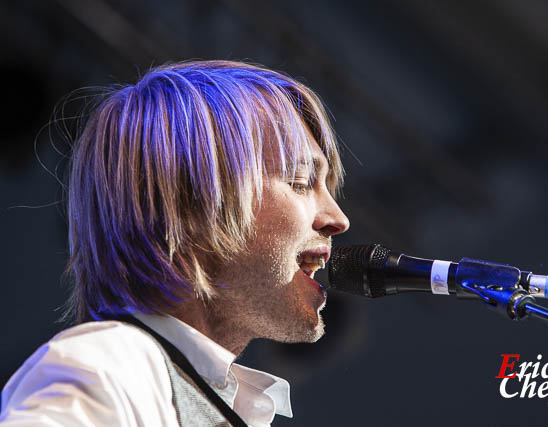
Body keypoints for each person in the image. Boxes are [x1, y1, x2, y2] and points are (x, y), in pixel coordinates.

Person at [0, 60, 350, 426]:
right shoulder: (106, 367)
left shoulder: (202, 396)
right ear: (190, 205)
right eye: (299, 180)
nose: (338, 219)